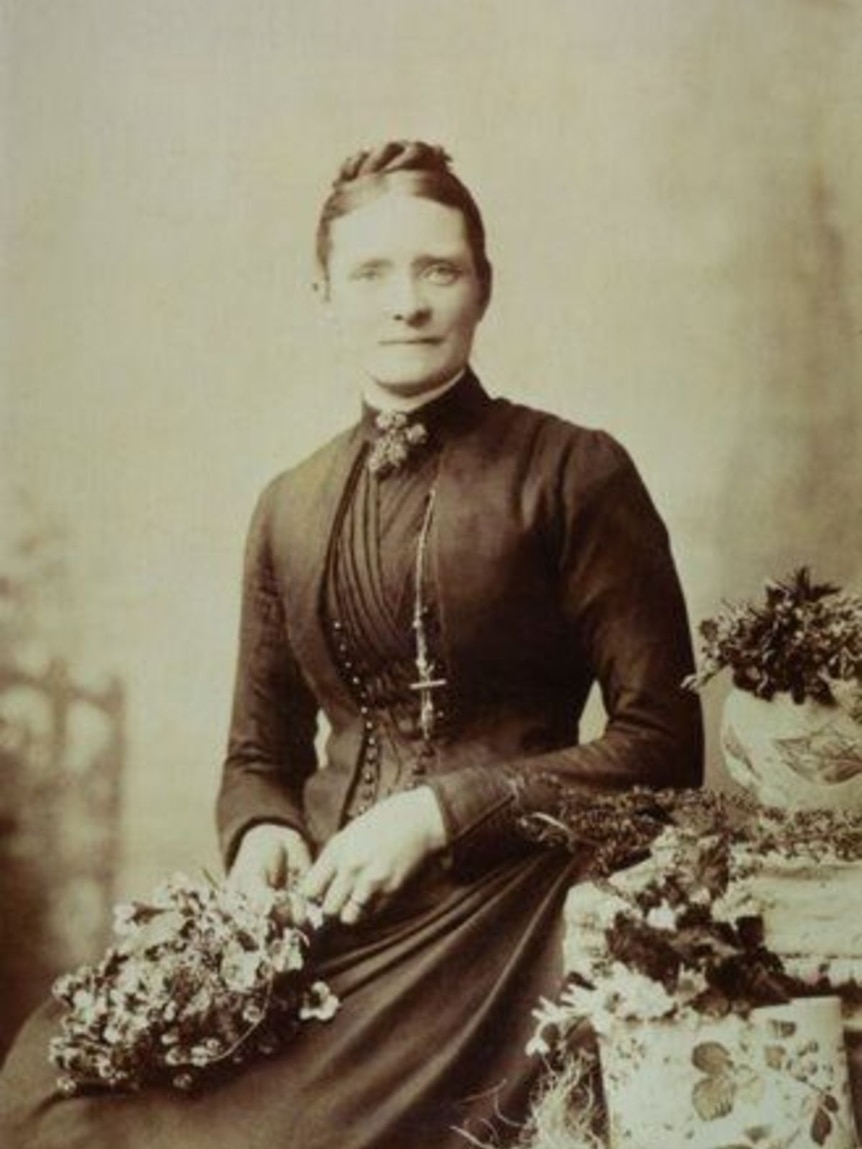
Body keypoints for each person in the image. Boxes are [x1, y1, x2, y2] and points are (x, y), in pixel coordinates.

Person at [0, 140, 704, 1149]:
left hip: (498, 914)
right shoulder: (288, 505)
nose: (405, 304)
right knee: (54, 1093)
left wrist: (439, 813)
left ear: (482, 290)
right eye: (371, 274)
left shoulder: (571, 473)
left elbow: (662, 741)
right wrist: (262, 835)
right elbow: (257, 753)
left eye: (438, 271)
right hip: (322, 920)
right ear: (323, 294)